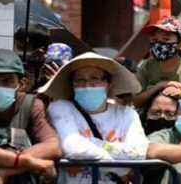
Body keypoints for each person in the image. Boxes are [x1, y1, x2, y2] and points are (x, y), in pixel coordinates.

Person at [40, 52, 148, 183]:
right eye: (80, 80)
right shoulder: (60, 108)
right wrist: (120, 168)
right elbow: (74, 148)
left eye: (95, 78)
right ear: (72, 85)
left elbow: (137, 154)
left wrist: (94, 143)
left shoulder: (127, 114)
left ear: (109, 84)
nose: (87, 85)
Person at [0, 49, 60, 183]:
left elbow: (52, 145)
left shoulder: (32, 104)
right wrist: (21, 160)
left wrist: (3, 172)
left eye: (7, 81)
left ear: (21, 84)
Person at [134, 16, 181, 108]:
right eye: (155, 40)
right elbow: (136, 102)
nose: (159, 44)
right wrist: (158, 86)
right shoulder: (145, 67)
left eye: (165, 39)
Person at [14, 23, 52, 91]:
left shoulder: (50, 69)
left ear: (41, 50)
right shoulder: (14, 65)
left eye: (21, 47)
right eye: (16, 46)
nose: (17, 51)